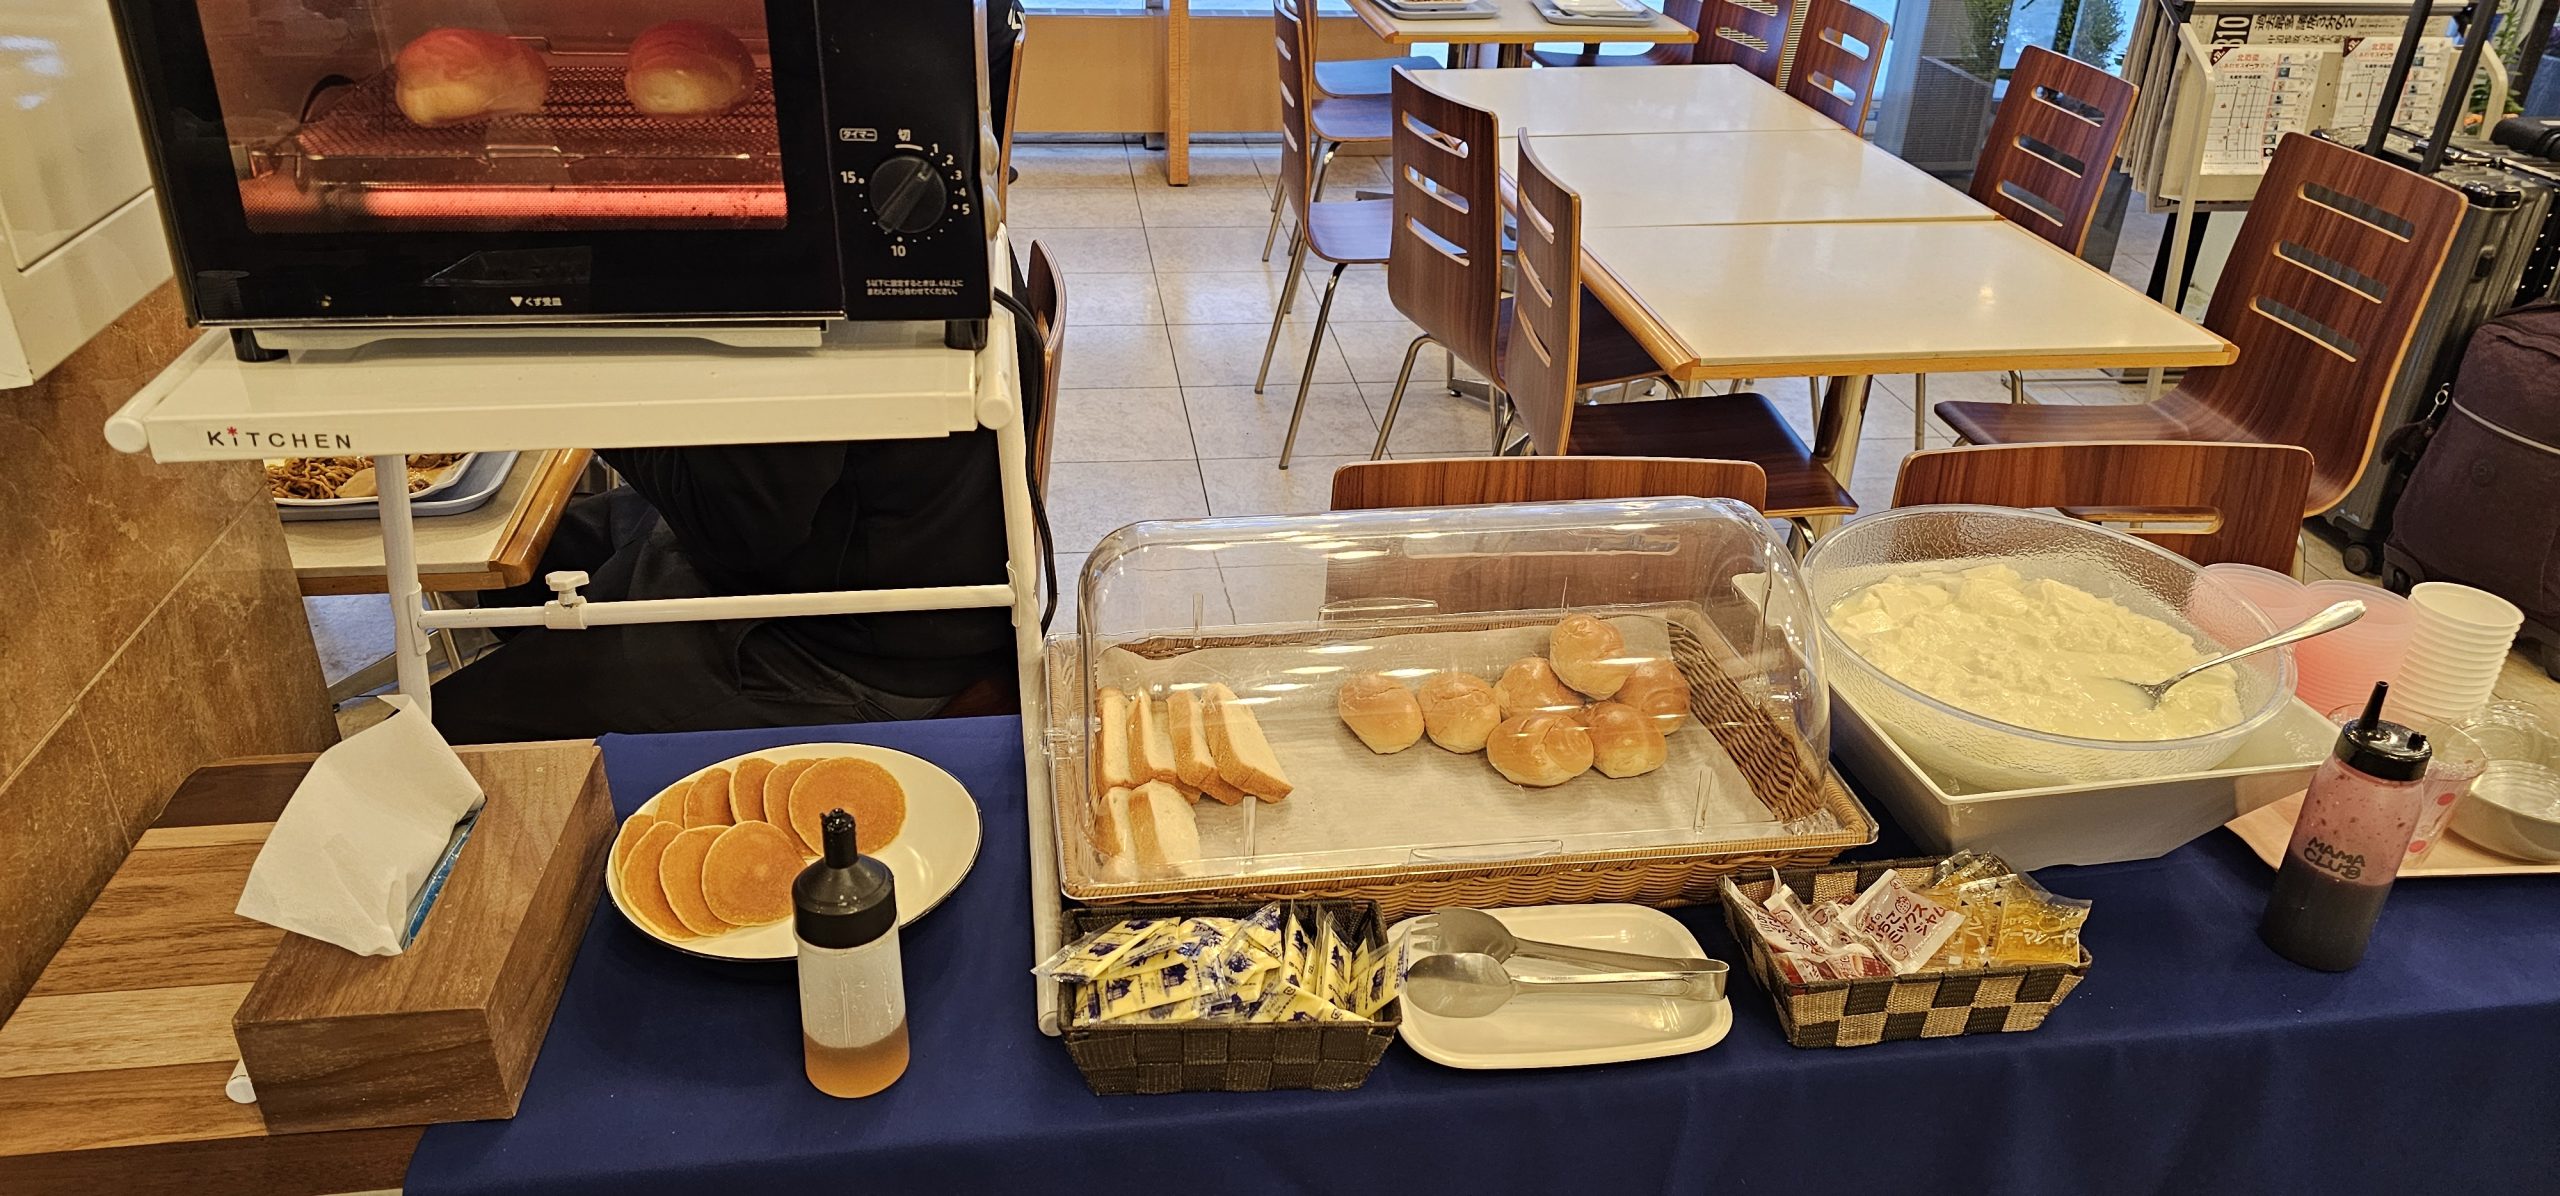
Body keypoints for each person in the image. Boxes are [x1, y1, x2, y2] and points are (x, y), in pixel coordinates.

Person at [430, 435, 1015, 744]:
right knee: (516, 576)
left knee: (443, 734)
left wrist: (594, 396)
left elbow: (742, 527)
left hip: (836, 649)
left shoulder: (801, 280)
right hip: (855, 555)